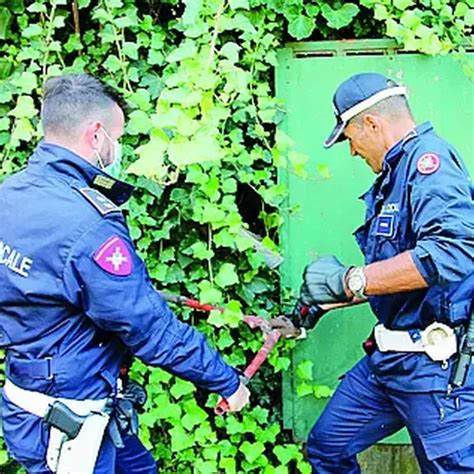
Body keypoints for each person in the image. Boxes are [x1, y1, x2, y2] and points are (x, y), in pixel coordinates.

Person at [0, 73, 250, 473]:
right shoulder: (89, 223)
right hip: (69, 423)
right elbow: (149, 328)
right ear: (96, 135)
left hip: (35, 403)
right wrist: (226, 381)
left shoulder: (9, 194)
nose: (119, 149)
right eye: (118, 137)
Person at [292, 72, 474, 473]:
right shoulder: (392, 177)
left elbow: (453, 251)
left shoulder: (430, 163)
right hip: (388, 362)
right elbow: (400, 271)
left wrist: (352, 279)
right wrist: (325, 298)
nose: (353, 152)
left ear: (371, 124)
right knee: (327, 449)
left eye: (350, 138)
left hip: (437, 372)